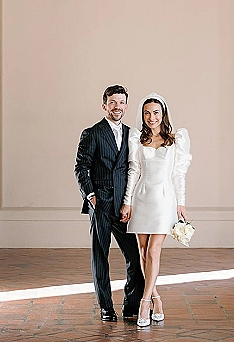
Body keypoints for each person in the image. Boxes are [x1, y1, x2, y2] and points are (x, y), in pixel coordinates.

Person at [120, 92, 192, 328]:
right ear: (143, 115)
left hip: (164, 200)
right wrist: (128, 201)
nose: (152, 117)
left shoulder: (176, 139)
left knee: (153, 251)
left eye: (156, 112)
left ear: (163, 114)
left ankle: (144, 301)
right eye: (147, 113)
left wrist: (181, 202)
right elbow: (133, 171)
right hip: (141, 197)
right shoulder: (136, 139)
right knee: (142, 251)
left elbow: (178, 174)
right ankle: (157, 298)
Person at [74, 84, 144, 322]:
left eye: (121, 102)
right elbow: (81, 167)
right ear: (104, 105)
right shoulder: (92, 133)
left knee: (135, 256)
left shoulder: (131, 134)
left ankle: (131, 305)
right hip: (101, 204)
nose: (117, 106)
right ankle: (106, 307)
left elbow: (133, 169)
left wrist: (129, 202)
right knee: (100, 256)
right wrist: (91, 195)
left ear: (126, 105)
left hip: (123, 206)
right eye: (112, 102)